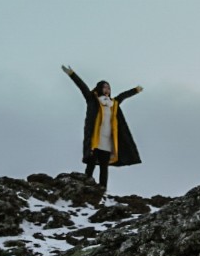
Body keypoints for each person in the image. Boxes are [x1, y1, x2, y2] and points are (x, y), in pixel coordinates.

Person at [61, 64, 142, 193]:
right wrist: (72, 74)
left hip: (108, 141)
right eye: (104, 87)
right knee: (91, 164)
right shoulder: (93, 100)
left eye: (109, 88)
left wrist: (135, 90)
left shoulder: (113, 103)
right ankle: (85, 186)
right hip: (95, 139)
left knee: (104, 167)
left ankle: (102, 190)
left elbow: (123, 95)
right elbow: (83, 87)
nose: (107, 89)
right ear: (99, 88)